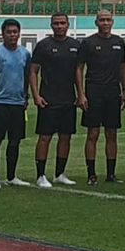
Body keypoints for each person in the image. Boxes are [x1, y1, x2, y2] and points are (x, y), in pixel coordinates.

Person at [30, 12, 83, 188]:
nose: (60, 26)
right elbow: (33, 71)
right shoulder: (43, 46)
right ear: (51, 25)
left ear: (68, 25)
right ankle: (40, 175)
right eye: (56, 23)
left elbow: (78, 72)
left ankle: (59, 173)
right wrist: (36, 95)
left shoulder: (75, 45)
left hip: (68, 100)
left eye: (62, 23)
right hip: (48, 99)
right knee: (45, 137)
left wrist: (80, 94)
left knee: (65, 137)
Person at [0, 18, 32, 190]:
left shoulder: (25, 53)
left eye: (15, 32)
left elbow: (27, 76)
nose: (12, 35)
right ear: (3, 34)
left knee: (15, 141)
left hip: (17, 103)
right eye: (9, 32)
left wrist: (26, 96)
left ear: (19, 34)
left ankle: (11, 176)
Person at [78, 10, 125, 185]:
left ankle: (111, 174)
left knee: (112, 133)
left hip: (113, 93)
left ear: (112, 22)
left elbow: (122, 68)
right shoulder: (88, 43)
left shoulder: (119, 42)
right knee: (93, 133)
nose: (105, 23)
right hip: (94, 92)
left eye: (108, 20)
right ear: (96, 22)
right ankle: (91, 174)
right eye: (102, 20)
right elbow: (79, 68)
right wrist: (81, 94)